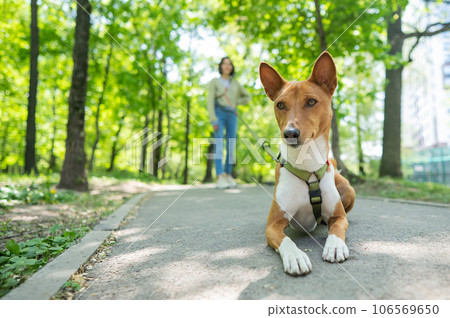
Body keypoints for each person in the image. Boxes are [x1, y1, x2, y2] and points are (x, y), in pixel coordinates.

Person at [207, 57, 251, 189]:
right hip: (219, 113)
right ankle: (220, 177)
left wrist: (235, 102)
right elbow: (209, 101)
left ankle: (228, 175)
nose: (227, 66)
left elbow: (247, 97)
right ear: (220, 66)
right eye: (224, 64)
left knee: (231, 145)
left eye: (229, 64)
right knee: (219, 145)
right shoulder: (215, 82)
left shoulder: (236, 83)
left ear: (232, 67)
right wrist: (213, 118)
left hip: (232, 114)